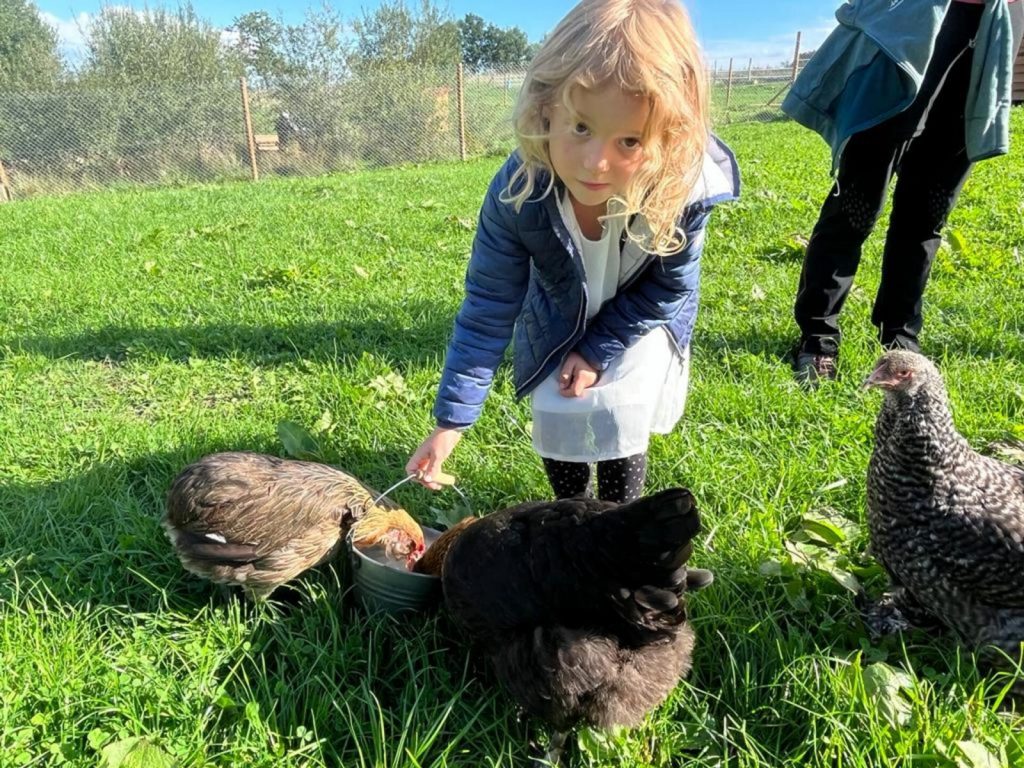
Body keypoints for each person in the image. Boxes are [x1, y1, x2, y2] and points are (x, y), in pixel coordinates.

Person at [406, 0, 739, 504]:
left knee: (621, 410)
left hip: (639, 319)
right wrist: (452, 421)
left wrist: (599, 347)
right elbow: (488, 306)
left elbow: (670, 288)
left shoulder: (679, 192)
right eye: (580, 127)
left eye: (629, 140)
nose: (596, 162)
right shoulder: (519, 193)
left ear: (668, 140)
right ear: (544, 108)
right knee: (558, 407)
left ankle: (616, 517)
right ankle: (572, 513)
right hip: (559, 315)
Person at [783, 0, 1023, 385]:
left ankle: (899, 336)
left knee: (928, 213)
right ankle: (818, 336)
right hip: (908, 34)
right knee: (857, 205)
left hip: (985, 40)